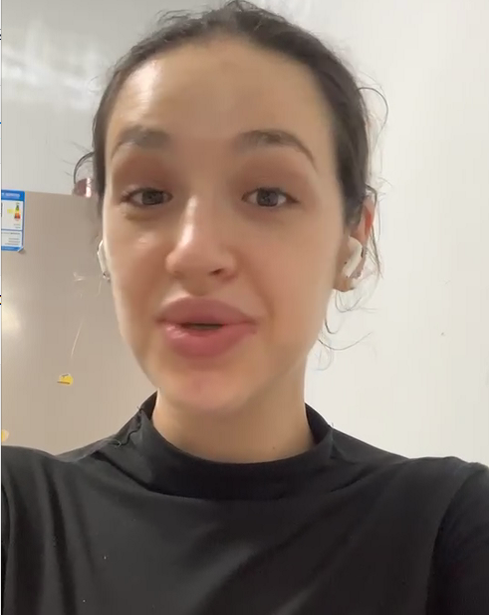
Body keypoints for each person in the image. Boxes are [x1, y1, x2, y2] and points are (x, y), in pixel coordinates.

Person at [2, 2, 488, 613]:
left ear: (352, 238)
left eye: (268, 194)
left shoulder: (445, 530)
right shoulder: (20, 517)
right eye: (149, 194)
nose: (195, 252)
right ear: (103, 236)